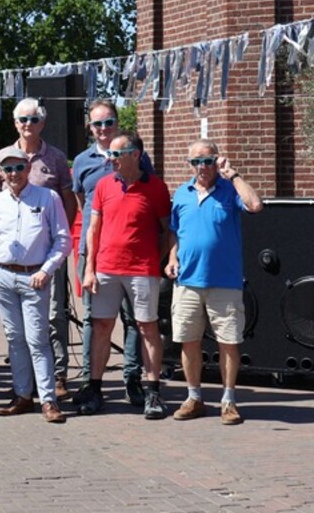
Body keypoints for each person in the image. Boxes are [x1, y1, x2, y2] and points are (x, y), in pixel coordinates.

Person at [166, 139, 262, 425]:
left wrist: (233, 175)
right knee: (188, 341)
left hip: (224, 282)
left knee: (228, 342)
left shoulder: (229, 191)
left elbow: (255, 205)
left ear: (216, 161)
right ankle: (194, 397)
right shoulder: (181, 194)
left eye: (207, 161)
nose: (202, 167)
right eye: (196, 162)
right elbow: (175, 232)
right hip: (187, 281)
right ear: (189, 164)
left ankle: (228, 401)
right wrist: (172, 258)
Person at [0, 97, 76, 397]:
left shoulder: (56, 157)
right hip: (11, 259)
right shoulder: (2, 156)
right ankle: (25, 384)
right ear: (15, 123)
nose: (28, 124)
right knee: (16, 330)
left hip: (46, 257)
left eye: (34, 119)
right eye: (23, 119)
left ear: (43, 123)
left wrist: (58, 247)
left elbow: (67, 202)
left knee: (54, 315)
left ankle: (57, 376)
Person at [81, 130, 172, 419]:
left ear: (135, 155)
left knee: (147, 328)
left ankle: (152, 392)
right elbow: (93, 229)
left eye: (116, 154)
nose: (110, 159)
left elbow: (168, 230)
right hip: (106, 269)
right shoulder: (104, 185)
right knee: (101, 327)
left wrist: (156, 260)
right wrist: (90, 268)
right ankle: (94, 389)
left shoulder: (156, 187)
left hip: (142, 271)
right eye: (109, 154)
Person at [72, 100, 153, 407]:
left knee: (133, 319)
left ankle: (132, 379)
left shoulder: (138, 156)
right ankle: (90, 382)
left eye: (109, 122)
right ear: (90, 127)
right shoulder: (82, 161)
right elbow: (82, 202)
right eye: (97, 124)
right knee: (94, 320)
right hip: (95, 252)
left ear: (117, 123)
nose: (103, 129)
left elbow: (148, 193)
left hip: (131, 253)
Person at [0, 149, 71, 423]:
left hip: (34, 278)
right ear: (0, 173)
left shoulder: (48, 197)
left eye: (19, 167)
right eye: (8, 169)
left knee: (37, 340)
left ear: (28, 168)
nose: (14, 174)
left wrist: (46, 270)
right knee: (14, 339)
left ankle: (48, 400)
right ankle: (22, 396)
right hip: (3, 277)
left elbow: (63, 239)